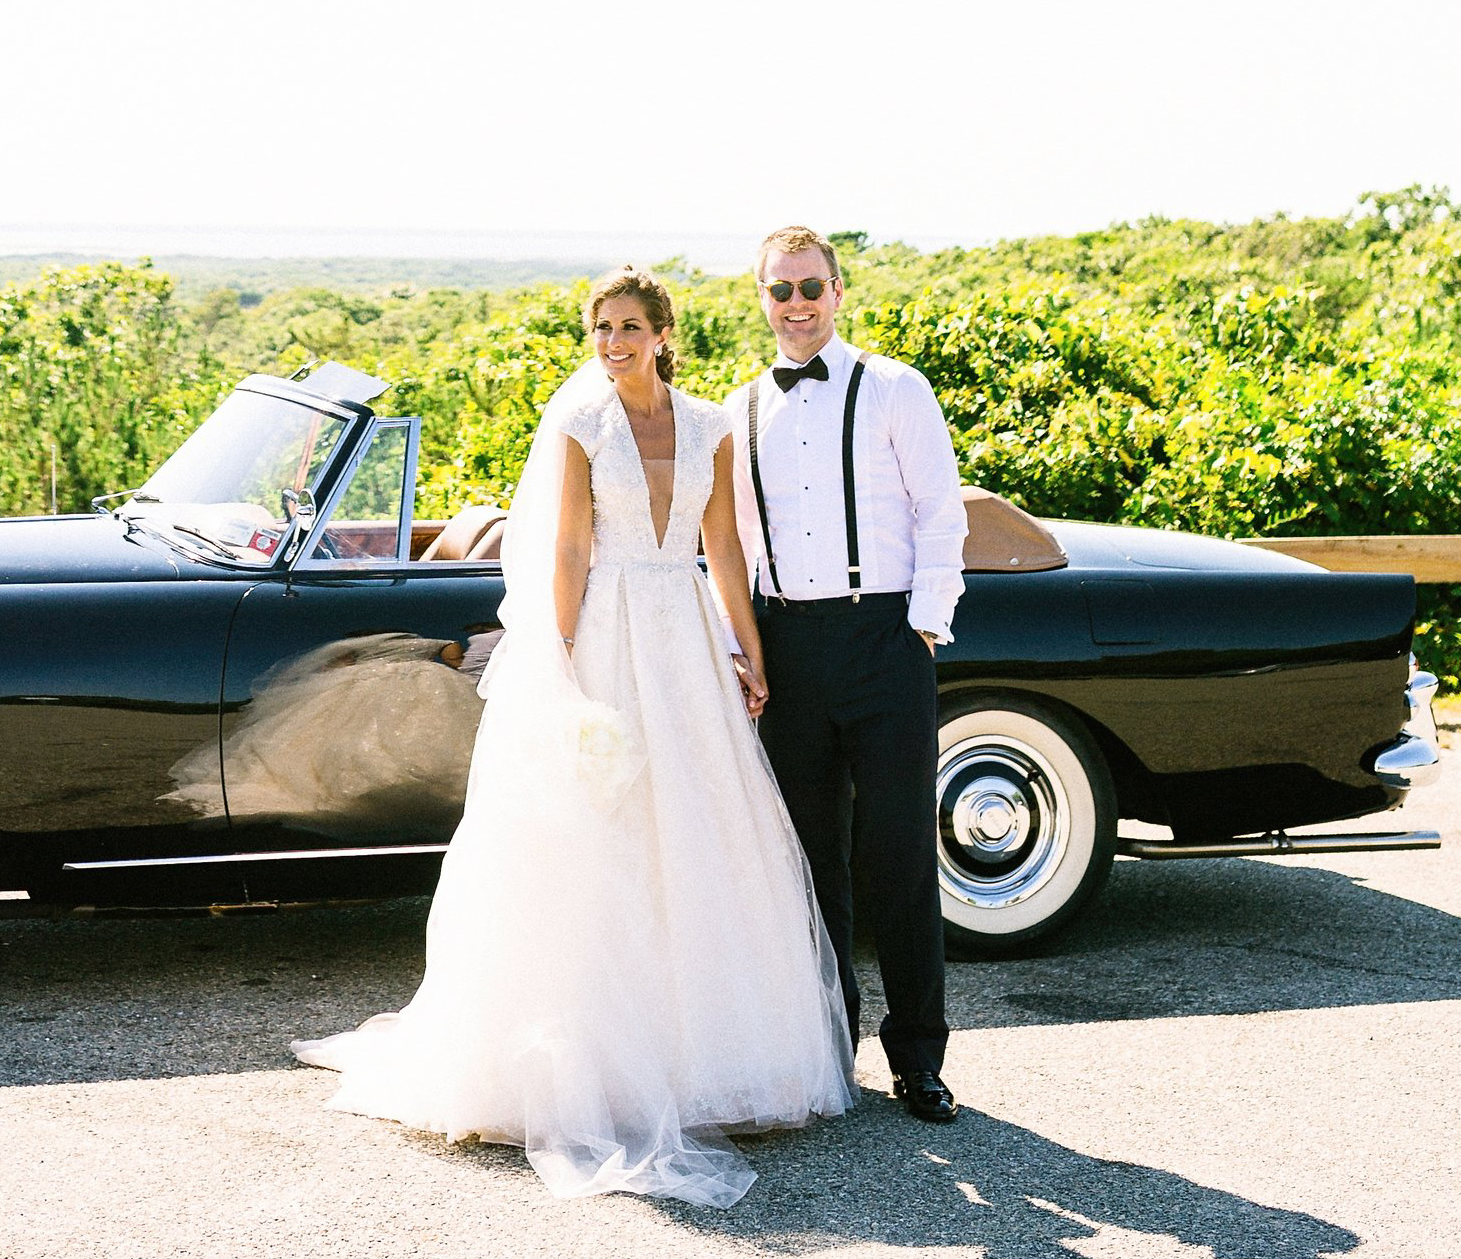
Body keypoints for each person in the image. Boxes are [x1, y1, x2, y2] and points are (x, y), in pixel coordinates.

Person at [294, 267, 854, 1206]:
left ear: (663, 333)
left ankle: (709, 1058)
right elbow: (566, 549)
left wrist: (748, 653)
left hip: (684, 640)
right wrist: (555, 655)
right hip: (604, 634)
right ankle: (585, 1059)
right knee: (600, 835)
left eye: (631, 327)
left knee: (701, 831)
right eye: (602, 329)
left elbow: (725, 549)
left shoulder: (711, 425)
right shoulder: (581, 425)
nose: (614, 343)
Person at [723, 225, 968, 1123]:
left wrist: (925, 626)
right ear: (761, 297)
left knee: (899, 855)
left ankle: (920, 1059)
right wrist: (742, 648)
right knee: (809, 859)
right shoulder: (741, 408)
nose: (797, 305)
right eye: (780, 290)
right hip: (789, 647)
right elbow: (736, 545)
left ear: (838, 290)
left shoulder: (897, 388)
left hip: (885, 641)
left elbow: (940, 511)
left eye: (810, 287)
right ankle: (832, 1048)